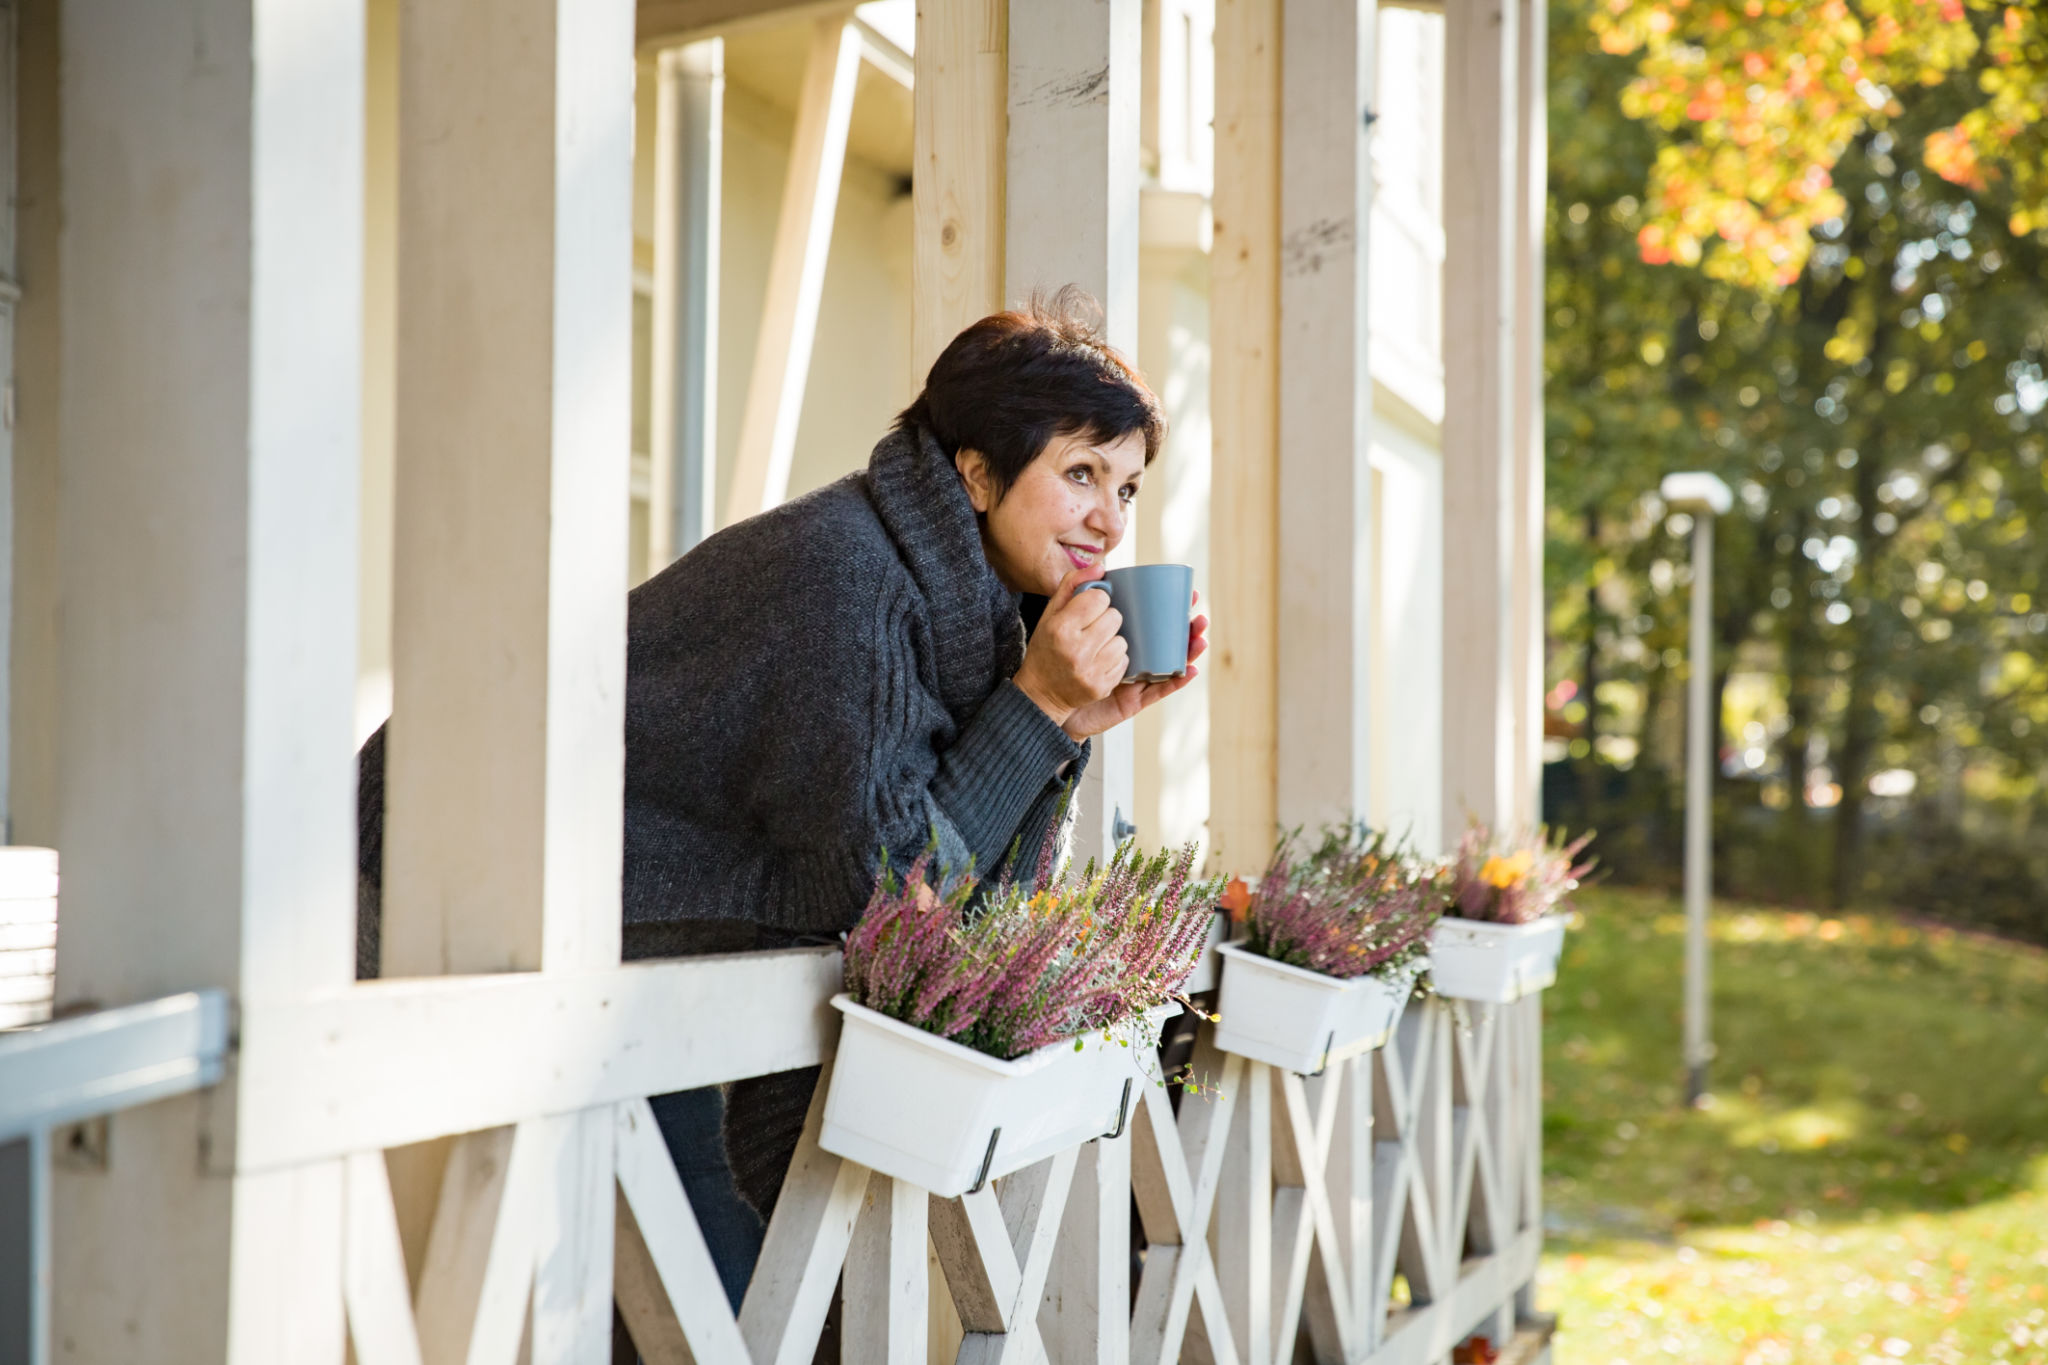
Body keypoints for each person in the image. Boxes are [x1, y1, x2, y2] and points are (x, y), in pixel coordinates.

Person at [354, 288, 1206, 1308]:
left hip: (626, 954)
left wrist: (1062, 726)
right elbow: (897, 898)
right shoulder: (847, 578)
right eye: (1080, 473)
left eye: (1127, 486)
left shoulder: (975, 618)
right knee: (685, 1299)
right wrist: (1036, 708)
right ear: (976, 473)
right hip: (442, 877)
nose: (1110, 518)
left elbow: (973, 916)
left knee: (729, 1297)